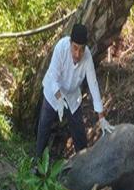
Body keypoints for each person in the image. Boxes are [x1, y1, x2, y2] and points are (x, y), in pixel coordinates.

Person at [36, 23, 114, 158]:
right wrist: (59, 98)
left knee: (79, 132)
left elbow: (93, 84)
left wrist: (101, 117)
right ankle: (38, 164)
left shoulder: (87, 56)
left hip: (72, 95)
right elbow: (53, 77)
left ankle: (83, 162)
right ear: (70, 42)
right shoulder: (61, 47)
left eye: (82, 49)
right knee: (44, 126)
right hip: (53, 91)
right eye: (75, 48)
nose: (78, 54)